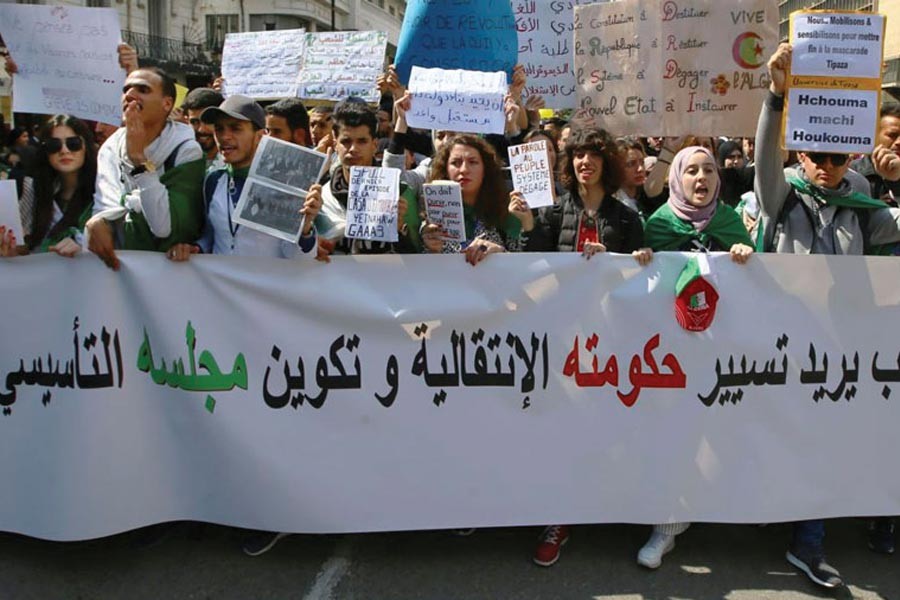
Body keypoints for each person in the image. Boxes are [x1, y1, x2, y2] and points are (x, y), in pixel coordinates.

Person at [756, 43, 900, 589]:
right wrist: (776, 96)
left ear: (851, 160)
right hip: (780, 346)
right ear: (800, 153)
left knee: (822, 439)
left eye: (838, 157)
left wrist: (897, 181)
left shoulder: (864, 207)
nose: (825, 165)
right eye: (815, 154)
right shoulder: (782, 196)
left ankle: (808, 543)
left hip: (838, 351)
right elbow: (764, 162)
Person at [516, 127, 651, 567]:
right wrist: (528, 226)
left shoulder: (627, 219)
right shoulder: (553, 212)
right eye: (577, 155)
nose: (584, 162)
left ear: (606, 163)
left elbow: (640, 275)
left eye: (593, 154)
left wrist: (631, 260)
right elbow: (532, 265)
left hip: (610, 345)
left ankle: (607, 506)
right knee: (559, 432)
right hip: (562, 342)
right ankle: (559, 518)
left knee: (606, 430)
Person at [638, 145, 754, 570]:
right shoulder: (656, 225)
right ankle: (665, 528)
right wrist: (642, 261)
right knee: (674, 436)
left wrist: (746, 258)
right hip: (671, 357)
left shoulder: (730, 223)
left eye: (708, 170)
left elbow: (757, 289)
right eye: (691, 171)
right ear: (676, 179)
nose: (701, 178)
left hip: (722, 355)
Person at [165, 95, 320, 261]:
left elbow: (298, 258)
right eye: (219, 129)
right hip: (220, 278)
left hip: (268, 277)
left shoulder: (285, 183)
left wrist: (305, 230)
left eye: (235, 128)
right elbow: (212, 234)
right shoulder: (213, 180)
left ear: (260, 136)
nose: (224, 137)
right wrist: (197, 247)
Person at [86, 66, 207, 270]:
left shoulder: (186, 149)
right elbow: (104, 208)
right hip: (120, 266)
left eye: (143, 90)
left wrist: (139, 161)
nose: (130, 95)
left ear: (167, 104)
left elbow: (163, 228)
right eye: (126, 90)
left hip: (168, 269)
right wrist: (97, 221)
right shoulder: (110, 147)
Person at [310, 100, 415, 257]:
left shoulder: (400, 193)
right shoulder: (321, 198)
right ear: (335, 143)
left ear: (374, 145)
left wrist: (399, 231)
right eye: (346, 142)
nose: (353, 149)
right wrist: (310, 243)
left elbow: (418, 259)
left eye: (362, 141)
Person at [0, 115, 97, 257]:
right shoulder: (33, 193)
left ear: (86, 147)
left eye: (73, 143)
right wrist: (13, 252)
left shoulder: (103, 193)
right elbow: (28, 249)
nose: (64, 150)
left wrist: (84, 248)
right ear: (45, 151)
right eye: (54, 145)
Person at [421, 134, 522, 263]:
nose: (464, 170)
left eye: (473, 162)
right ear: (445, 169)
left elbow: (524, 265)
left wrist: (500, 253)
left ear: (485, 169)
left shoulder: (506, 212)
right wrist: (431, 249)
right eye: (456, 163)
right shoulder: (431, 217)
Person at [181, 87, 225, 170]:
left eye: (208, 121)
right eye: (194, 122)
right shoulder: (180, 160)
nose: (201, 129)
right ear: (186, 121)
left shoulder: (236, 161)